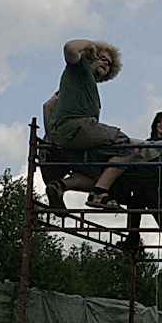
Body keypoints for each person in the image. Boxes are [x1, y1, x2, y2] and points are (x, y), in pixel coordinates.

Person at [42, 38, 130, 211]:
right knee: (125, 146)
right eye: (103, 58)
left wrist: (52, 137)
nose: (106, 64)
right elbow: (69, 48)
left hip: (70, 137)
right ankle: (99, 194)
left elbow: (48, 106)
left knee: (96, 177)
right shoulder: (80, 68)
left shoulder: (79, 84)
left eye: (109, 64)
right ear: (92, 57)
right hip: (76, 126)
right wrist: (91, 46)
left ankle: (59, 187)